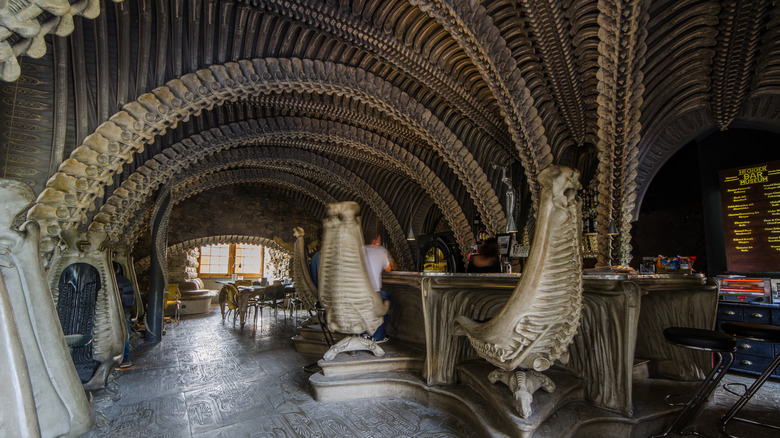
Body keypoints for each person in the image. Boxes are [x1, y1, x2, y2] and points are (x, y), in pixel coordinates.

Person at [363, 230, 394, 342]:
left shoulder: (358, 251)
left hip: (357, 293)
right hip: (374, 292)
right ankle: (378, 336)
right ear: (374, 241)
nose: (380, 242)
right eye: (379, 240)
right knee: (387, 300)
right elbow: (389, 268)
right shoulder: (381, 251)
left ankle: (364, 333)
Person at [114, 262, 135, 368]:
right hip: (121, 312)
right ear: (118, 270)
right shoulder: (124, 282)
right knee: (123, 334)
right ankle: (124, 359)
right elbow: (130, 301)